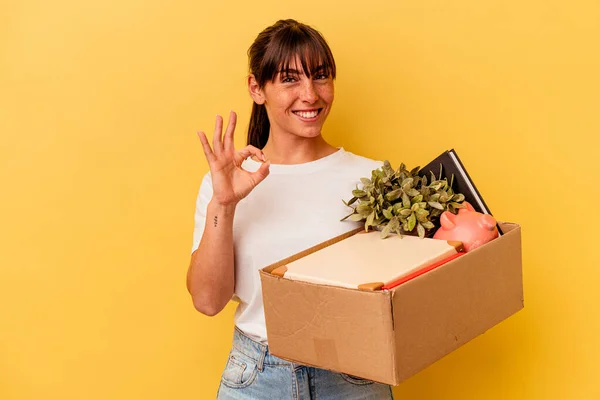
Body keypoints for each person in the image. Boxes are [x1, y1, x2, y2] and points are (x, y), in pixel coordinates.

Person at [187, 19, 394, 400]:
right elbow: (207, 301)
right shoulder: (225, 184)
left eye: (320, 76)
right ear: (256, 88)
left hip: (353, 376)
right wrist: (224, 204)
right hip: (257, 378)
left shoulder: (373, 179)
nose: (310, 94)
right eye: (289, 79)